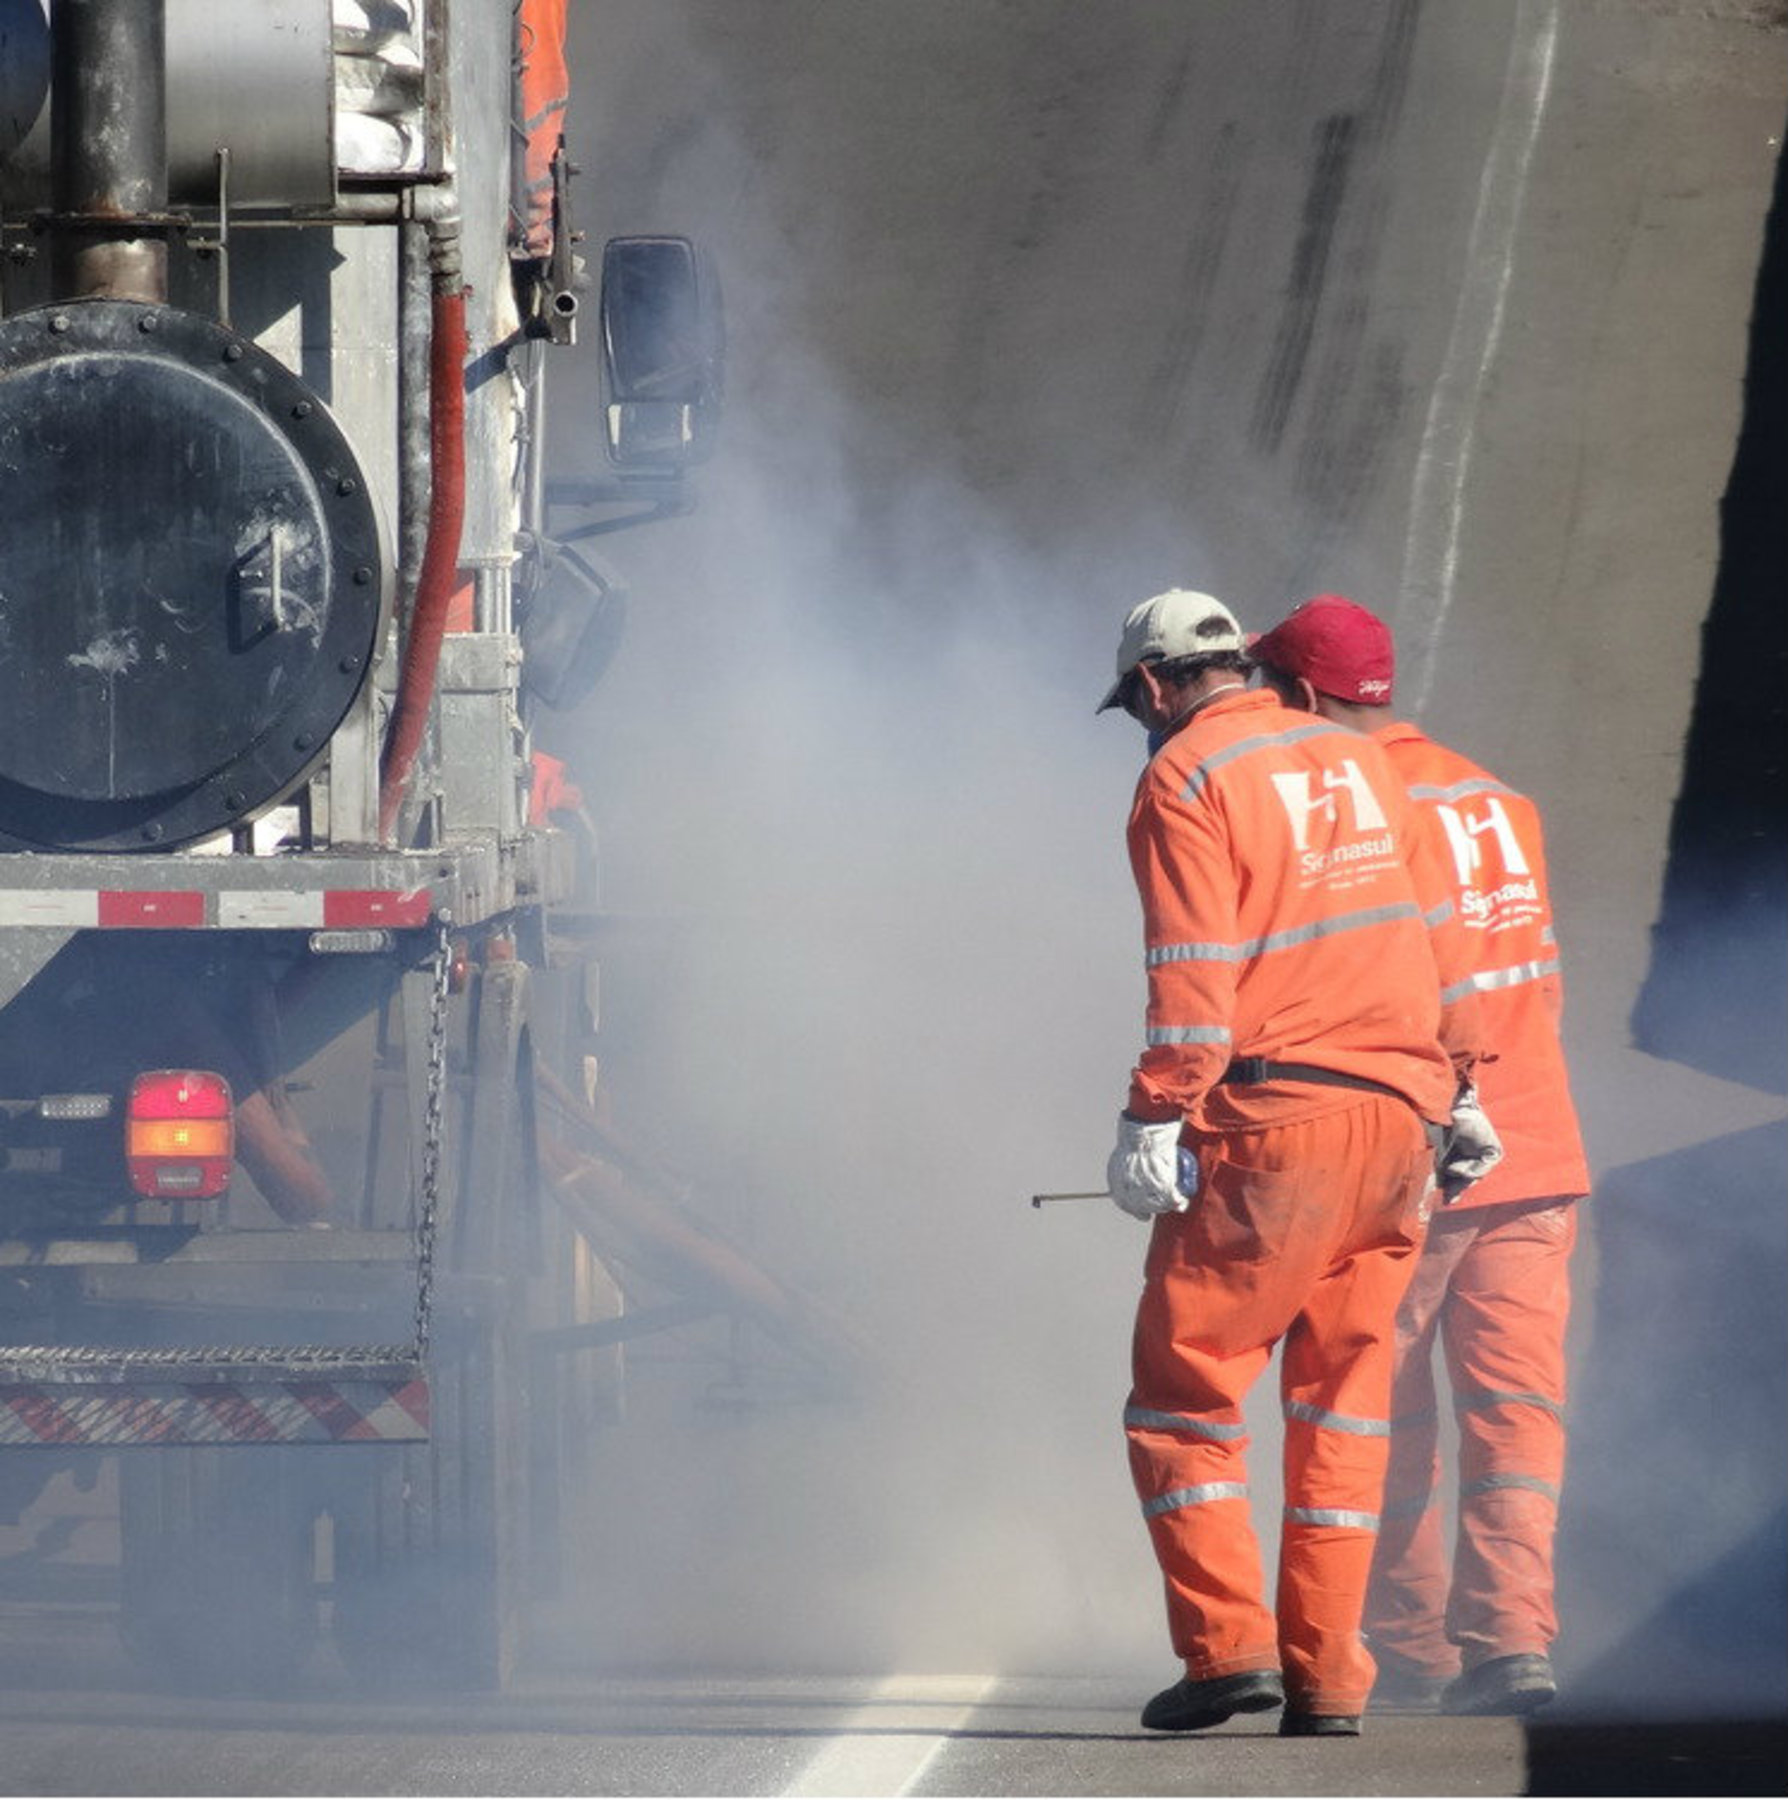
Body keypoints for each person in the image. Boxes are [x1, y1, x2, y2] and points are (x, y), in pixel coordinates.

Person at [1099, 589, 1498, 1738]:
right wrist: (1465, 1091)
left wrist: (1153, 1116)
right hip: (1400, 1130)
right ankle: (1328, 1680)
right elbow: (1448, 943)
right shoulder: (1369, 763)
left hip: (1273, 1122)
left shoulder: (1185, 777)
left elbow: (1194, 969)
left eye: (1137, 702)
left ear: (1160, 684)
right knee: (1344, 1414)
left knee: (1187, 1394)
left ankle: (1228, 1652)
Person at [1250, 594, 1590, 1718]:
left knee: (1374, 1407)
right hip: (1538, 1152)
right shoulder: (1501, 798)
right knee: (1515, 1418)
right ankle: (1511, 1646)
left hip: (1413, 1151)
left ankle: (1408, 1645)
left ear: (1299, 695)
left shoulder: (1342, 805)